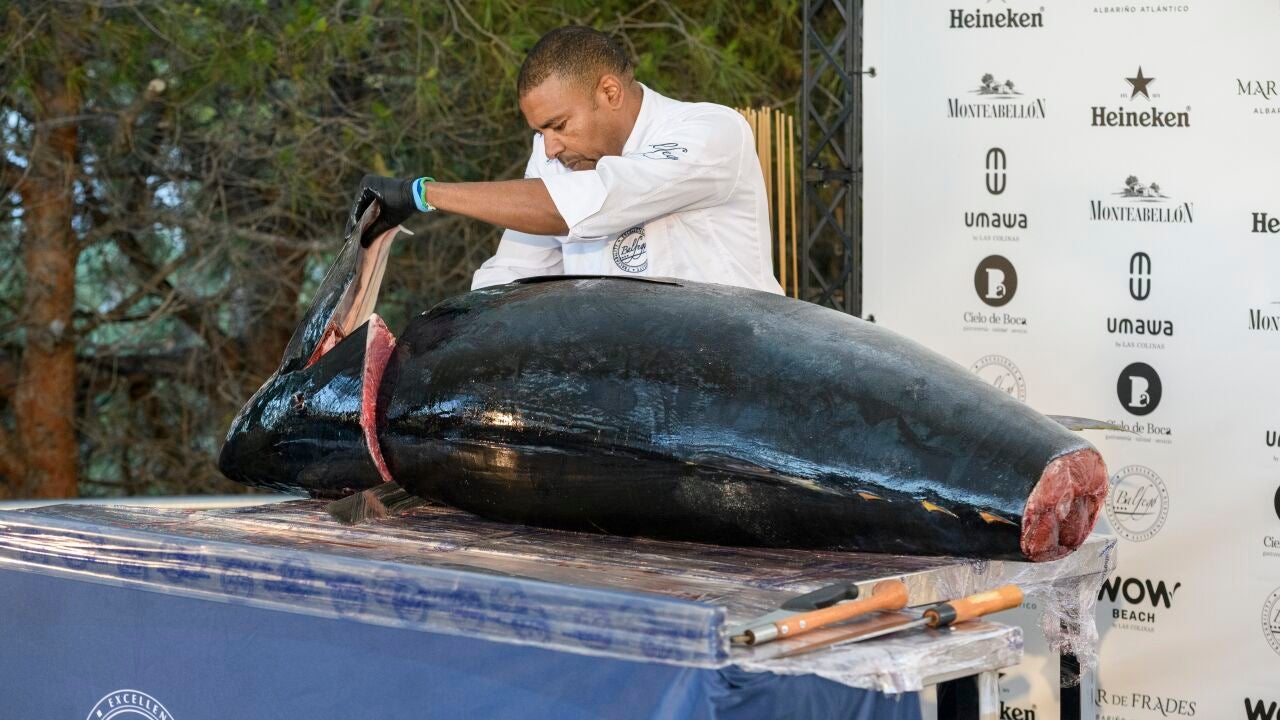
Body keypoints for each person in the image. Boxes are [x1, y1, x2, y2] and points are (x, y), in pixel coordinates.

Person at [345, 25, 783, 295]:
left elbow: (588, 203)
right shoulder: (555, 157)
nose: (550, 148)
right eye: (540, 132)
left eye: (558, 125)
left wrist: (421, 193)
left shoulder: (709, 130)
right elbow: (515, 274)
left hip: (736, 381)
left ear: (609, 92)